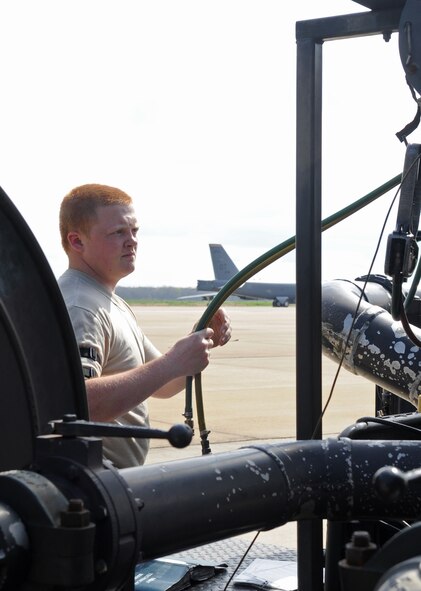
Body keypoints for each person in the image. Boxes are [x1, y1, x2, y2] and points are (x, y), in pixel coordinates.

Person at [58, 183, 232, 469]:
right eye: (118, 232)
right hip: (93, 486)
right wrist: (173, 362)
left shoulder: (110, 302)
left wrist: (202, 338)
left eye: (134, 231)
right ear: (77, 242)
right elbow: (79, 403)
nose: (132, 241)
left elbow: (164, 383)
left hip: (112, 484)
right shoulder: (81, 306)